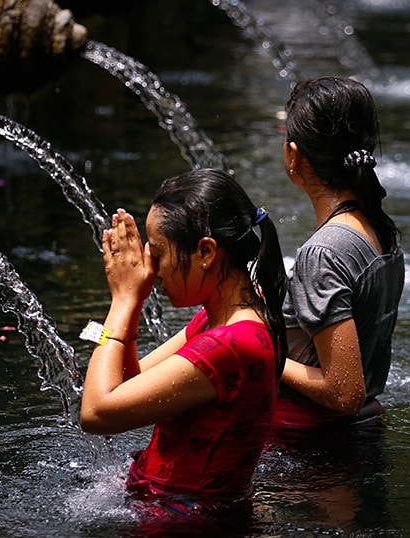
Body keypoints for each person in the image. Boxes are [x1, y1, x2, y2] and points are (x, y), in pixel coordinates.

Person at [78, 168, 287, 526]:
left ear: (206, 251)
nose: (150, 268)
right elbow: (131, 383)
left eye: (158, 253)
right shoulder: (223, 319)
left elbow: (97, 413)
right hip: (174, 512)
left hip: (180, 524)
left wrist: (123, 300)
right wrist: (132, 304)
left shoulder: (231, 345)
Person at [274, 75, 405, 432]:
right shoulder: (380, 228)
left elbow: (344, 391)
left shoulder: (324, 252)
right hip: (358, 433)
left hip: (313, 448)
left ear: (294, 156)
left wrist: (262, 353)